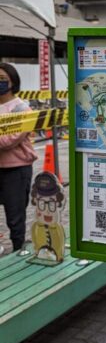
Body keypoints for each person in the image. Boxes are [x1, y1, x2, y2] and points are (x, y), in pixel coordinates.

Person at [0, 63, 37, 252]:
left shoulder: (22, 109)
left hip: (15, 170)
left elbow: (8, 141)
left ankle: (18, 251)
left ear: (13, 82)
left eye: (2, 79)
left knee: (15, 217)